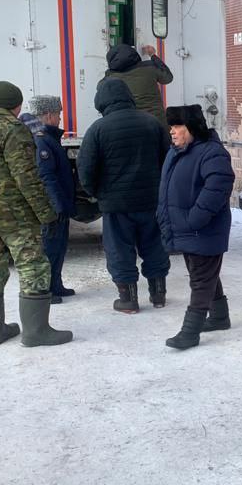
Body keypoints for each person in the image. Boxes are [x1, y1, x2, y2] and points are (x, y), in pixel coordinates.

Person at [0, 81, 72, 347]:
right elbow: (27, 176)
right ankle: (36, 332)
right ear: (16, 106)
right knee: (33, 266)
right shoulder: (13, 130)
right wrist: (45, 212)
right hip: (16, 216)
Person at [77, 78, 171, 313]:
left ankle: (128, 300)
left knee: (119, 250)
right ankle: (158, 294)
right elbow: (168, 160)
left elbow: (86, 169)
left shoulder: (97, 130)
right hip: (151, 201)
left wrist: (96, 193)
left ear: (101, 101)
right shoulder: (152, 123)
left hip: (116, 205)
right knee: (154, 245)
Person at [157, 104, 235, 349]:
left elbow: (218, 188)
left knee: (201, 279)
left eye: (178, 126)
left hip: (204, 229)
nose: (173, 131)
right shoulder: (176, 152)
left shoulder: (212, 153)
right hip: (187, 228)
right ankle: (220, 317)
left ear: (192, 127)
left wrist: (195, 220)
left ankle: (190, 332)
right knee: (204, 273)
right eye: (171, 126)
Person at [28, 95, 76, 303]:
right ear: (48, 115)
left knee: (59, 245)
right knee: (51, 248)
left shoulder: (49, 139)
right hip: (52, 207)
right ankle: (48, 289)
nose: (59, 119)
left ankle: (56, 284)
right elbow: (46, 175)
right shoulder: (43, 141)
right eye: (58, 114)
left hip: (58, 204)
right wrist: (58, 205)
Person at [102, 44, 173, 127]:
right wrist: (153, 55)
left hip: (131, 124)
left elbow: (100, 88)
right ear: (133, 54)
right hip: (157, 121)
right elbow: (168, 78)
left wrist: (110, 71)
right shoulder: (149, 67)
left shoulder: (111, 77)